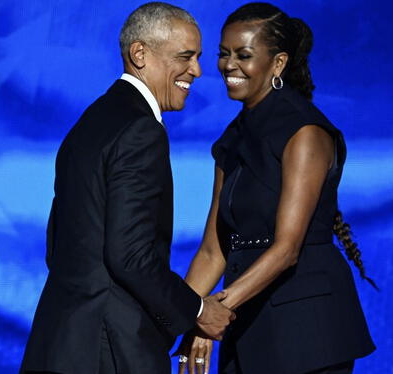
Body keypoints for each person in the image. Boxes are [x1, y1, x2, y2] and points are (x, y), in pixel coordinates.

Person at [19, 3, 236, 374]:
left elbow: (58, 243)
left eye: (198, 57)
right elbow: (130, 256)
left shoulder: (90, 121)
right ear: (140, 54)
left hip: (60, 344)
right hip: (109, 350)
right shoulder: (141, 130)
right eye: (185, 57)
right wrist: (198, 311)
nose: (197, 70)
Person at [175, 3, 376, 374]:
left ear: (278, 63)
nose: (228, 65)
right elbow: (212, 250)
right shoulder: (231, 140)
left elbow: (287, 249)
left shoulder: (305, 132)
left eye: (244, 55)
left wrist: (212, 311)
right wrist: (183, 317)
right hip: (245, 319)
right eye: (223, 54)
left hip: (306, 332)